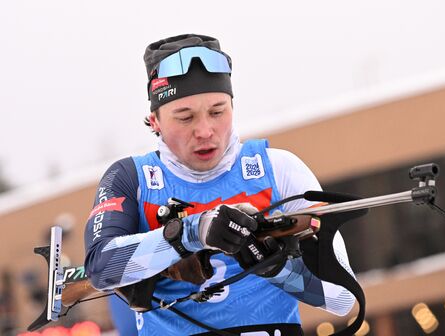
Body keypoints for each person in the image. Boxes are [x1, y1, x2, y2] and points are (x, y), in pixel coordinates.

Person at [84, 33, 356, 336]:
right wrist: (191, 233)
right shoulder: (131, 178)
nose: (204, 130)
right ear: (156, 121)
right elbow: (100, 267)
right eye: (185, 117)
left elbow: (342, 298)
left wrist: (274, 267)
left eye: (217, 112)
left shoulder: (278, 169)